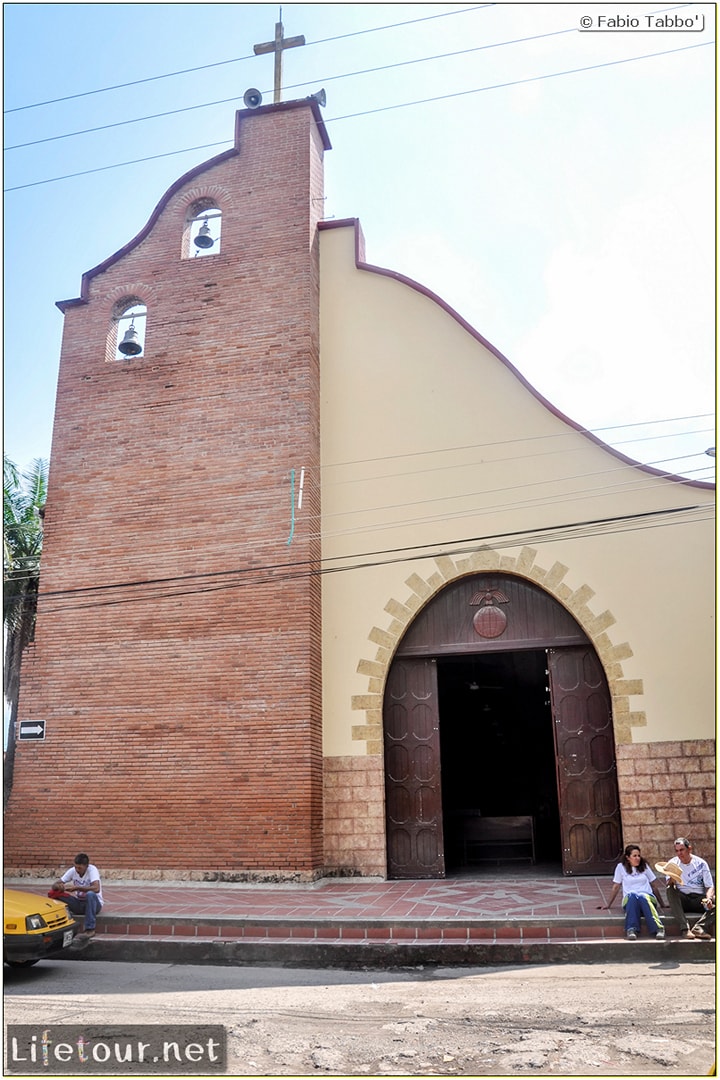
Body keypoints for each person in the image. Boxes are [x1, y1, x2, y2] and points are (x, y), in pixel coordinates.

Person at [604, 844, 666, 940]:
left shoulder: (644, 866)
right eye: (634, 856)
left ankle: (658, 928)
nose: (637, 858)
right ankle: (631, 929)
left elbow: (653, 885)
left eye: (639, 856)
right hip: (630, 899)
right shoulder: (620, 867)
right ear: (628, 857)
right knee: (632, 895)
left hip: (647, 898)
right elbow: (616, 886)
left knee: (642, 896)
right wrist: (608, 904)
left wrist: (662, 904)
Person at [658, 837, 715, 939]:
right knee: (670, 890)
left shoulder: (701, 863)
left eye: (681, 850)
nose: (679, 853)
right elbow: (669, 885)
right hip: (682, 900)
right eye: (677, 851)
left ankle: (699, 928)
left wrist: (709, 899)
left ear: (689, 849)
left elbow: (710, 886)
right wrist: (672, 876)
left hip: (699, 899)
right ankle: (685, 928)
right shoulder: (672, 863)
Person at [50, 853, 103, 939]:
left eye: (80, 868)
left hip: (94, 905)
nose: (77, 870)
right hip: (79, 904)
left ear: (86, 866)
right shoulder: (72, 871)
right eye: (76, 867)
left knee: (90, 894)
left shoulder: (92, 870)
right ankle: (57, 920)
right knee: (54, 893)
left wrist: (77, 888)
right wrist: (58, 886)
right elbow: (56, 883)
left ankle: (90, 929)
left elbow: (97, 888)